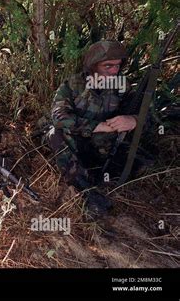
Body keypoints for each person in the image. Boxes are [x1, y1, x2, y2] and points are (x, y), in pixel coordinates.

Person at [47, 40, 153, 218]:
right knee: (54, 134)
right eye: (108, 66)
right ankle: (86, 190)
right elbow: (59, 118)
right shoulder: (72, 85)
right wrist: (98, 126)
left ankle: (101, 174)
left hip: (102, 144)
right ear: (93, 66)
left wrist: (133, 120)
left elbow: (150, 117)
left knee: (144, 158)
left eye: (117, 66)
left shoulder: (122, 86)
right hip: (76, 139)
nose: (114, 71)